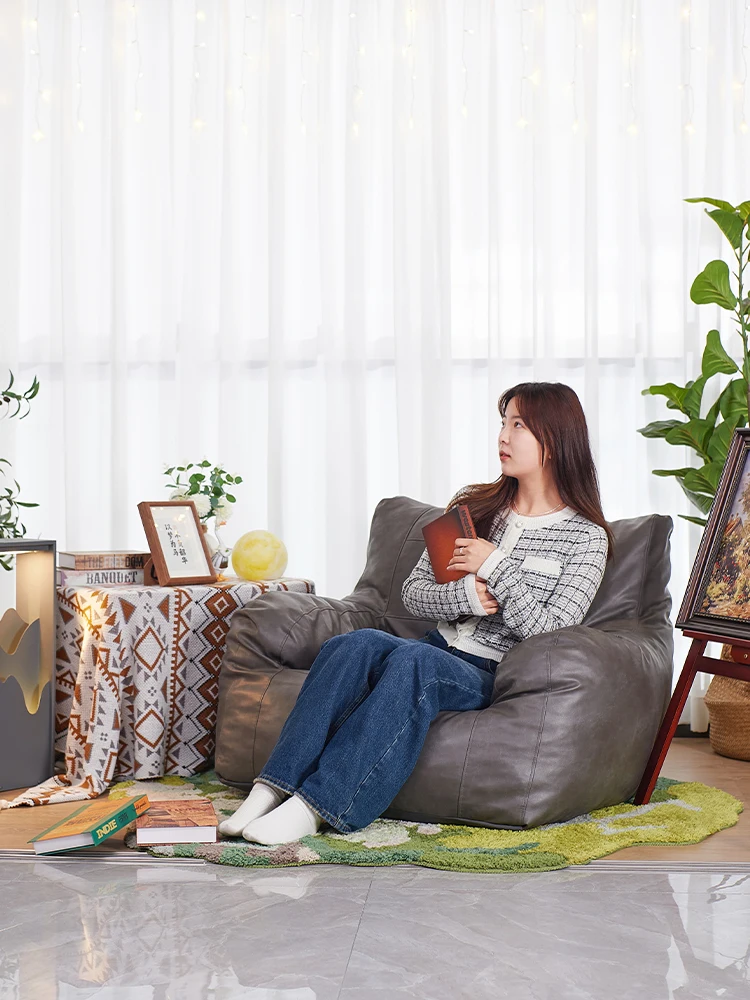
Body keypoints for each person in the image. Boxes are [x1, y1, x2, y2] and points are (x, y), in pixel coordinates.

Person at [219, 381, 614, 845]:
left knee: (413, 663)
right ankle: (269, 791)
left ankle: (316, 807)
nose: (503, 437)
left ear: (555, 437)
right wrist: (468, 597)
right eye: (502, 424)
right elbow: (415, 594)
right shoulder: (475, 509)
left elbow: (550, 633)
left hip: (491, 671)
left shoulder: (586, 538)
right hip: (436, 645)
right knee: (353, 645)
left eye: (518, 425)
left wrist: (495, 565)